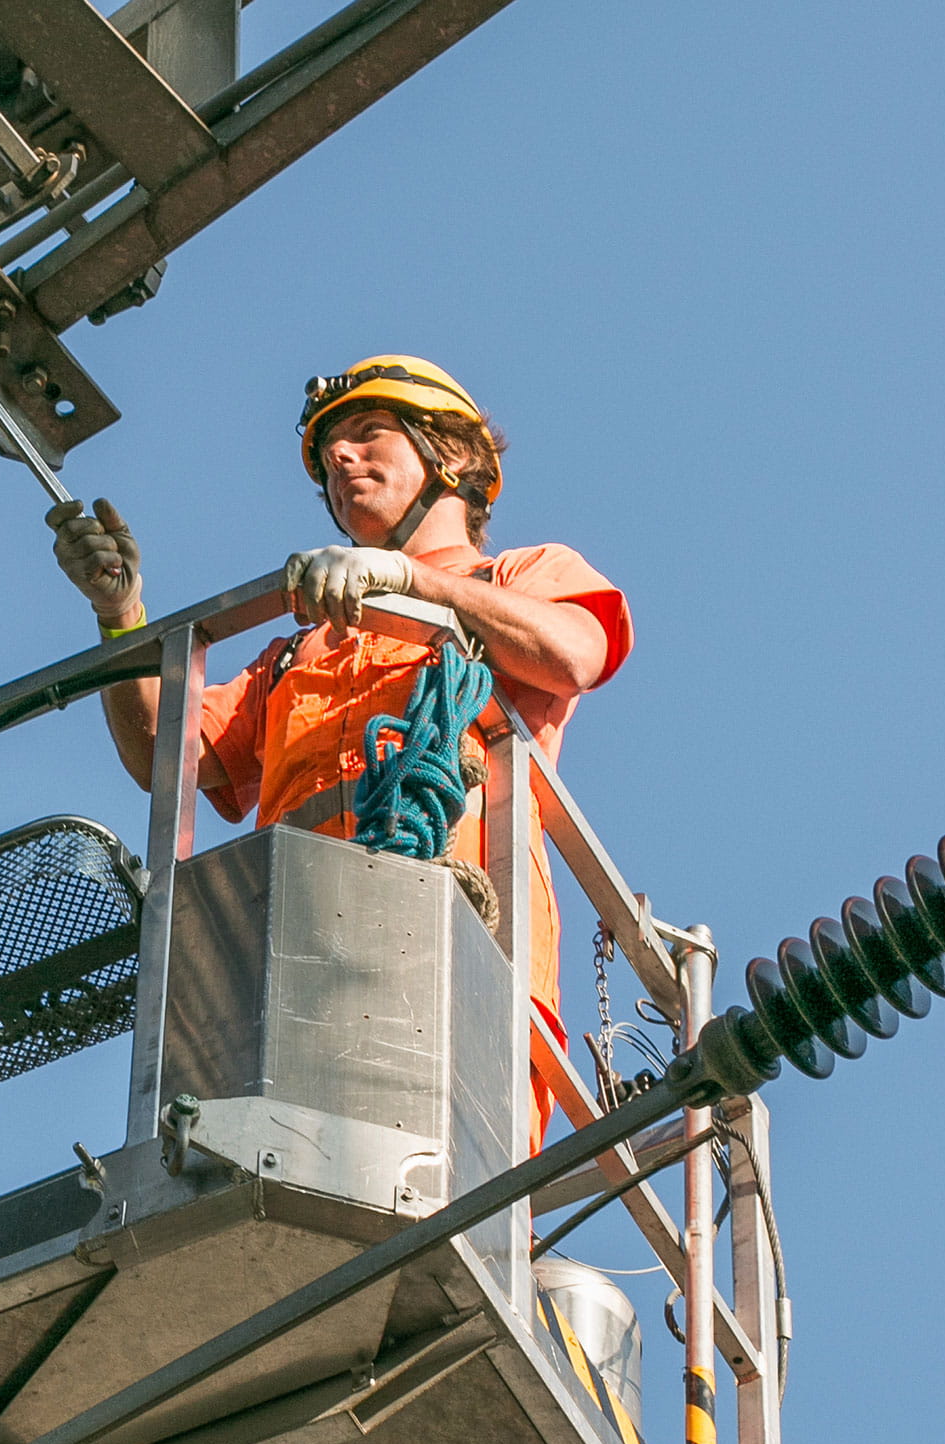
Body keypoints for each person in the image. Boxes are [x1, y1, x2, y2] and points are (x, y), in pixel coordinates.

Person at [48, 355, 633, 1152]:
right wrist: (122, 621)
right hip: (294, 972)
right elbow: (168, 755)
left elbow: (573, 653)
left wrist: (416, 586)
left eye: (366, 435)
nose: (342, 462)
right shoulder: (298, 650)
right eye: (330, 460)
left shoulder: (521, 575)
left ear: (451, 457)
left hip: (457, 963)